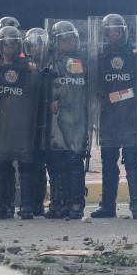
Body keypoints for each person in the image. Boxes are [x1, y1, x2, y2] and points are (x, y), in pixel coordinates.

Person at [91, 14, 137, 219]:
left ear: (124, 32)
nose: (114, 34)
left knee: (132, 161)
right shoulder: (100, 56)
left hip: (130, 115)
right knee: (108, 163)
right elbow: (96, 86)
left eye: (118, 30)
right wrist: (100, 96)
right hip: (108, 117)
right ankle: (107, 205)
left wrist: (118, 96)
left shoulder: (134, 55)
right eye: (111, 31)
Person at [0, 25, 41, 220]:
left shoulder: (28, 68)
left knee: (25, 169)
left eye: (15, 43)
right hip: (1, 124)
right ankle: (0, 205)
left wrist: (35, 72)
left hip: (23, 123)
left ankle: (26, 206)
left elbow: (35, 92)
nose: (11, 46)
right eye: (8, 43)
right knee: (0, 167)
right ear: (0, 45)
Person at [45, 20, 90, 220]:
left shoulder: (82, 61)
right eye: (64, 39)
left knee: (74, 161)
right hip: (55, 119)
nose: (69, 42)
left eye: (72, 38)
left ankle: (77, 203)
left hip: (77, 117)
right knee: (56, 162)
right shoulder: (49, 61)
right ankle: (58, 202)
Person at [22, 27, 51, 217]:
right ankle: (27, 204)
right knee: (27, 165)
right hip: (26, 121)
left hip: (47, 121)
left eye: (41, 44)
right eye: (34, 45)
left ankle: (40, 203)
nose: (37, 48)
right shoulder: (22, 66)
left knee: (43, 165)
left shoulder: (52, 66)